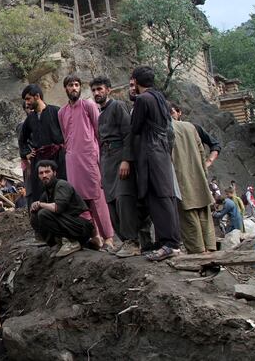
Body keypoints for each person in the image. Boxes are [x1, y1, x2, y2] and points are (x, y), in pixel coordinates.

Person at [129, 66, 181, 261]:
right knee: (166, 195)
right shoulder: (159, 97)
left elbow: (135, 127)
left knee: (157, 197)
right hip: (161, 149)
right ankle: (170, 240)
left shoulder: (143, 99)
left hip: (150, 151)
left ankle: (169, 244)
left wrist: (133, 100)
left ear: (137, 81)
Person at [58, 75, 114, 249]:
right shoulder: (62, 112)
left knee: (97, 197)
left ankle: (109, 237)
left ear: (80, 87)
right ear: (65, 89)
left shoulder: (88, 105)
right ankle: (94, 235)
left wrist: (100, 155)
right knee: (80, 200)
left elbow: (99, 130)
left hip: (90, 157)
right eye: (70, 85)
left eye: (76, 85)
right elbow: (65, 135)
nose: (74, 88)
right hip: (73, 160)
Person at [90, 76, 143, 258]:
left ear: (108, 90)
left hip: (120, 156)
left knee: (124, 200)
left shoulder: (117, 106)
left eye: (100, 89)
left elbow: (128, 134)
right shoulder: (101, 114)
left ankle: (133, 242)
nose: (97, 93)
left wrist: (126, 160)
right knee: (111, 202)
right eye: (94, 90)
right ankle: (125, 240)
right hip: (106, 161)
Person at [29, 160, 94, 257]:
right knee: (35, 214)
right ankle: (57, 243)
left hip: (80, 226)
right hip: (68, 224)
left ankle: (72, 242)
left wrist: (40, 204)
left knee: (43, 213)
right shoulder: (46, 192)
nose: (44, 175)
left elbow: (58, 208)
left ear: (54, 173)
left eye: (47, 172)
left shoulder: (62, 185)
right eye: (41, 173)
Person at [171, 118, 216, 254]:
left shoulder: (164, 130)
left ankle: (199, 253)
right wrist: (203, 171)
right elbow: (201, 151)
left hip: (181, 179)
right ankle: (210, 250)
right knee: (204, 214)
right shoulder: (190, 127)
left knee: (188, 217)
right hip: (198, 176)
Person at [19, 83, 66, 206]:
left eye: (28, 99)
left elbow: (68, 132)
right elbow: (22, 140)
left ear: (37, 96)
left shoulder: (56, 111)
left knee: (61, 189)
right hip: (39, 160)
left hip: (58, 158)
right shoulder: (30, 119)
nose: (27, 103)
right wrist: (26, 154)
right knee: (41, 193)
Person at [169, 103, 221, 170]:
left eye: (172, 113)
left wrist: (208, 162)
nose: (171, 117)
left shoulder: (194, 128)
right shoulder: (167, 134)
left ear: (179, 112)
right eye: (168, 115)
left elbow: (215, 145)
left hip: (198, 170)